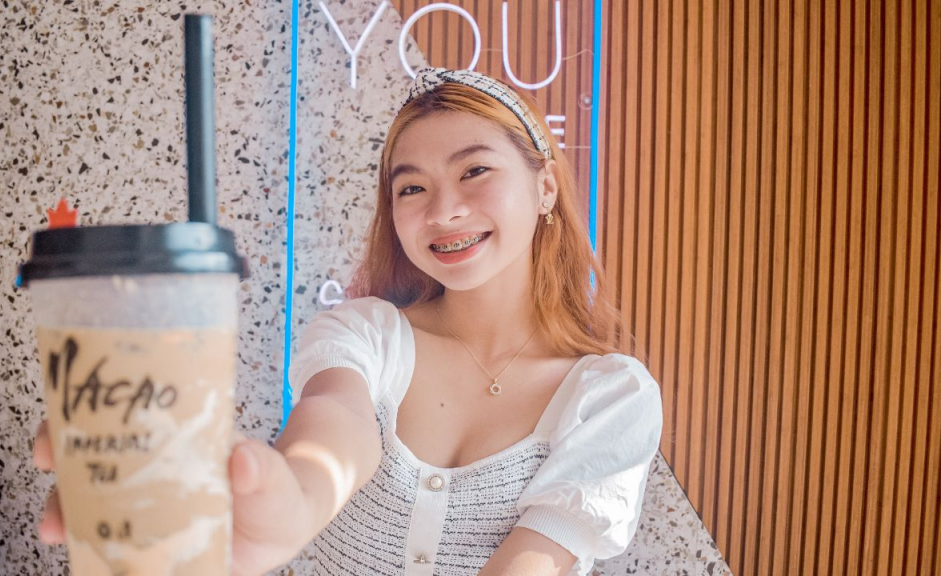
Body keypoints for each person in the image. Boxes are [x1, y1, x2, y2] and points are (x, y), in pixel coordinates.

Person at [34, 68, 663, 576]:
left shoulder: (611, 396)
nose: (443, 210)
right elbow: (336, 422)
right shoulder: (367, 334)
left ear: (545, 187)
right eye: (411, 188)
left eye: (474, 171)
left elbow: (535, 561)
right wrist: (290, 502)